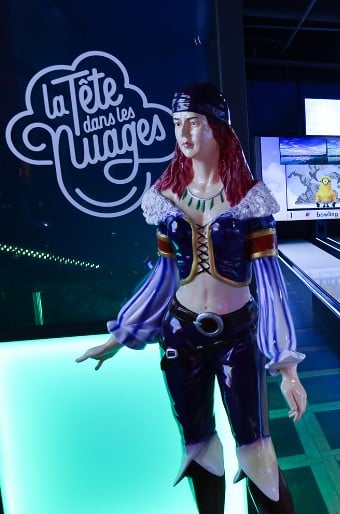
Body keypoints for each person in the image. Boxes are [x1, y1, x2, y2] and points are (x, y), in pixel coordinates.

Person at [76, 82, 306, 514]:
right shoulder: (164, 197)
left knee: (256, 446)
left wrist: (286, 362)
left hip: (239, 335)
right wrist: (122, 335)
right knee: (197, 442)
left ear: (218, 129)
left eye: (194, 123)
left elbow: (270, 284)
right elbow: (164, 277)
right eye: (178, 124)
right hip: (180, 335)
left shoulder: (249, 199)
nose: (184, 134)